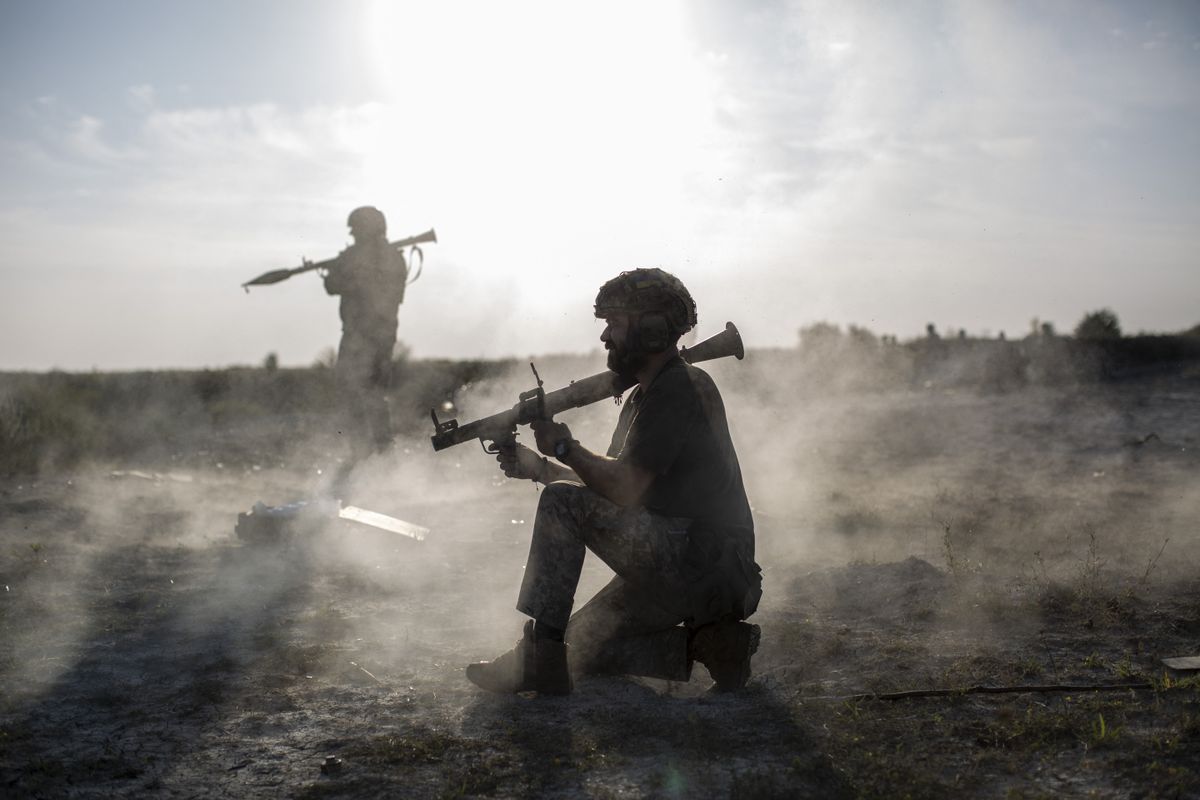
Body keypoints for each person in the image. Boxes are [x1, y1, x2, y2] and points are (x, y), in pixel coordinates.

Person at [466, 268, 762, 696]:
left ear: (653, 330)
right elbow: (609, 486)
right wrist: (541, 467)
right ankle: (715, 647)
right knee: (582, 647)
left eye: (614, 324)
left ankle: (540, 657)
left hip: (707, 561)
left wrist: (565, 448)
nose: (605, 337)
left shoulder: (680, 387)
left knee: (561, 503)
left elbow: (623, 489)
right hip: (691, 563)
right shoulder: (649, 394)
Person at [322, 206, 408, 459]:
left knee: (361, 390)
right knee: (368, 392)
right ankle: (375, 451)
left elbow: (337, 286)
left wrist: (337, 274)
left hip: (364, 334)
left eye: (357, 230)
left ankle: (370, 451)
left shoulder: (378, 258)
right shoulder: (391, 256)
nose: (353, 235)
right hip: (376, 333)